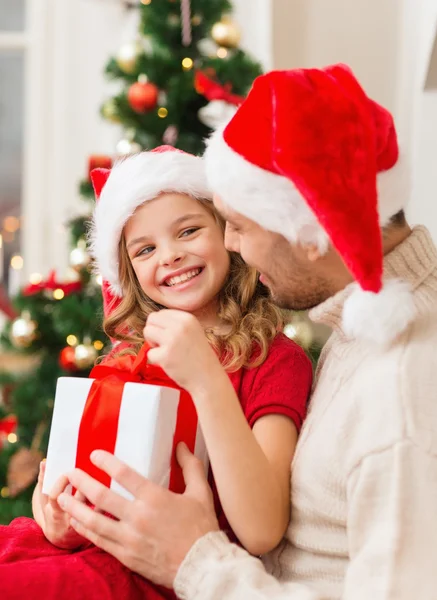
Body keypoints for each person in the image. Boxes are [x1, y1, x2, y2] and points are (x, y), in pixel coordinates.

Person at [59, 64, 437, 600]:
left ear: (307, 233)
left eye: (237, 224)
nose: (231, 244)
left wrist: (193, 561)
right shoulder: (361, 330)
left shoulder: (402, 398)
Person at [0, 146, 312, 599]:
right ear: (129, 272)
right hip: (92, 551)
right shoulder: (128, 357)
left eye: (188, 230)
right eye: (145, 249)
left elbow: (262, 529)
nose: (169, 256)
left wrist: (204, 375)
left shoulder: (273, 360)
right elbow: (72, 479)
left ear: (228, 233)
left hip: (165, 574)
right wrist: (58, 517)